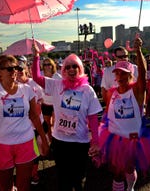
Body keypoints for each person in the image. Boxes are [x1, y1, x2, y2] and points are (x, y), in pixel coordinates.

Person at [0, 54, 49, 191]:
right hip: (1, 144)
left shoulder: (26, 89)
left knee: (24, 185)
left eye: (16, 68)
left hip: (25, 142)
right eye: (9, 69)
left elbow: (34, 116)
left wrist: (44, 139)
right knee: (5, 186)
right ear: (0, 72)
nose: (14, 71)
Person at [32, 48, 102, 191]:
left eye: (75, 66)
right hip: (60, 142)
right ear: (63, 70)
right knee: (63, 180)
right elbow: (37, 77)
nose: (71, 69)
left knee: (79, 180)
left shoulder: (88, 90)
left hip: (80, 142)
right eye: (68, 66)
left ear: (80, 68)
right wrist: (36, 57)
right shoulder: (57, 85)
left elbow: (93, 117)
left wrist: (95, 141)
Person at [99, 37, 150, 191]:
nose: (120, 76)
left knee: (127, 167)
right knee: (116, 171)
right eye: (117, 73)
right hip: (114, 137)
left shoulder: (137, 91)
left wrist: (139, 51)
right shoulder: (112, 92)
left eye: (124, 73)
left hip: (132, 138)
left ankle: (130, 188)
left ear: (130, 75)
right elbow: (108, 112)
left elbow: (142, 74)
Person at [16, 60, 45, 185]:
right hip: (23, 125)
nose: (19, 71)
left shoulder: (34, 83)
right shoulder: (13, 86)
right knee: (24, 151)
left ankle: (34, 173)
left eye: (21, 69)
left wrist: (38, 104)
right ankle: (23, 174)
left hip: (37, 122)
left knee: (37, 149)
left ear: (26, 69)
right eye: (16, 69)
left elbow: (41, 98)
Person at [40, 57, 61, 142]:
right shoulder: (40, 75)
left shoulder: (57, 76)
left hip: (55, 104)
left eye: (49, 64)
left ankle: (56, 139)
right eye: (45, 64)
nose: (47, 66)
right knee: (47, 123)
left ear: (52, 66)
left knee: (56, 123)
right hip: (45, 103)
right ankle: (50, 140)